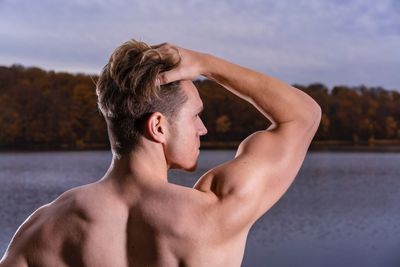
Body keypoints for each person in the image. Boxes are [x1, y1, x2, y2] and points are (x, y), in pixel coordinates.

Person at [0, 39, 321, 267]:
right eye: (195, 116)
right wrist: (206, 64)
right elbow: (303, 115)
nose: (203, 129)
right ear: (159, 127)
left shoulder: (43, 228)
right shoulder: (216, 213)